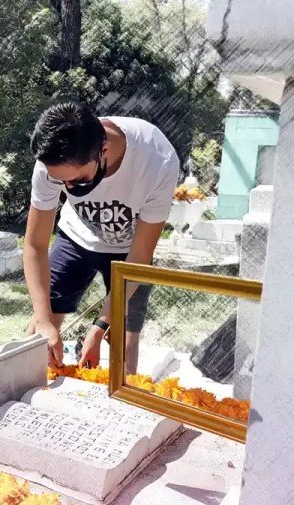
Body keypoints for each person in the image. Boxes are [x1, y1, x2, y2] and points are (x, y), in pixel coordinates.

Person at [24, 102, 179, 373]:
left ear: (103, 151)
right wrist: (43, 319)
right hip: (76, 238)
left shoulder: (158, 161)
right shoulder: (49, 164)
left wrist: (99, 327)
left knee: (124, 337)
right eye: (61, 183)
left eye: (78, 180)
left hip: (129, 251)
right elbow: (35, 245)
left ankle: (124, 399)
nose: (67, 189)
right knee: (39, 333)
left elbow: (140, 258)